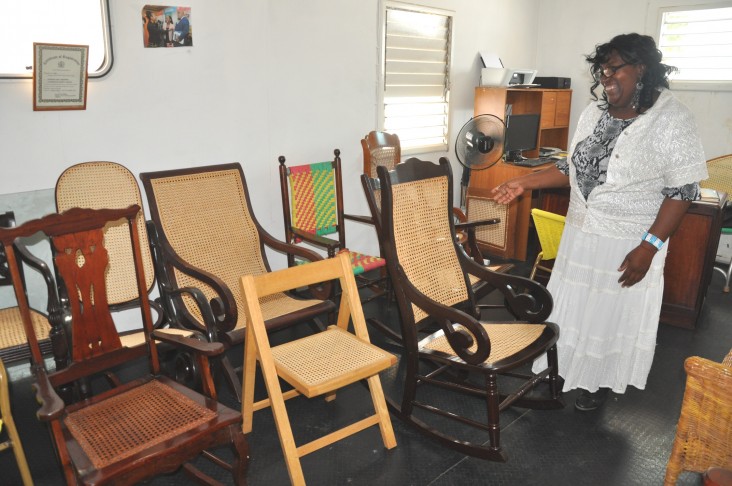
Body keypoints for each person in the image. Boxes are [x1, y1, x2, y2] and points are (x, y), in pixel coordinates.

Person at [492, 33, 707, 411]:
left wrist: (648, 246)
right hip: (581, 233)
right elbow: (571, 167)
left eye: (614, 69)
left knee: (610, 314)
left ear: (642, 68)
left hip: (629, 242)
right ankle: (559, 369)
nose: (606, 78)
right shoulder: (594, 113)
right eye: (602, 70)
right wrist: (523, 181)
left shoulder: (672, 119)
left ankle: (598, 380)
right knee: (571, 305)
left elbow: (683, 191)